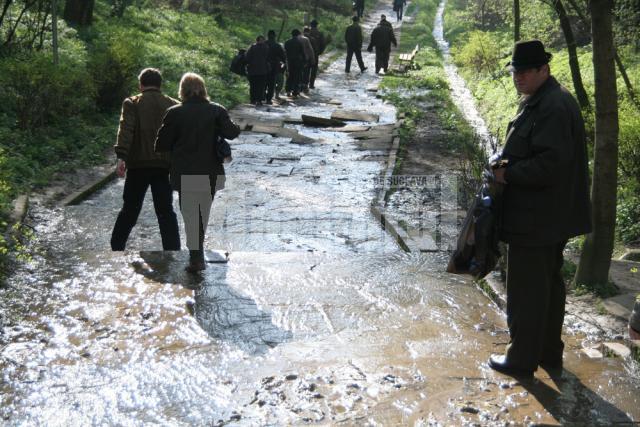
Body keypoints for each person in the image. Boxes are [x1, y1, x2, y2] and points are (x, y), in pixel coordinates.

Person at [489, 40, 591, 377]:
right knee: (546, 287)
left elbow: (551, 164)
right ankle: (548, 353)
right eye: (515, 71)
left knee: (527, 291)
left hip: (537, 218)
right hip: (546, 217)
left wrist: (508, 174)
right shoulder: (542, 100)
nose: (518, 77)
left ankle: (521, 359)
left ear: (543, 70)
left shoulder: (553, 106)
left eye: (525, 71)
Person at [155, 73, 240, 272]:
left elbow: (161, 144)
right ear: (203, 89)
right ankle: (196, 254)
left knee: (191, 214)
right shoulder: (216, 110)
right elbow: (232, 133)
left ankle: (196, 256)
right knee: (202, 213)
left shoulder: (174, 112)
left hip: (184, 171)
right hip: (210, 171)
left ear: (182, 90)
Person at [111, 68, 180, 251]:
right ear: (160, 85)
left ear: (140, 84)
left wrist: (121, 157)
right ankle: (173, 252)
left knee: (130, 210)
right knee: (165, 212)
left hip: (138, 166)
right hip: (164, 167)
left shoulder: (132, 103)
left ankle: (116, 249)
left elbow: (126, 131)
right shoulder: (173, 105)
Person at [245, 35, 270, 106]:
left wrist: (249, 64)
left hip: (252, 70)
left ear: (257, 40)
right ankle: (259, 100)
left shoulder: (252, 47)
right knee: (261, 86)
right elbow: (268, 59)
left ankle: (252, 100)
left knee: (253, 86)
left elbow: (247, 57)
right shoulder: (266, 47)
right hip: (263, 70)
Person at [265, 30, 287, 104]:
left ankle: (262, 97)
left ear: (267, 35)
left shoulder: (264, 44)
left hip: (264, 66)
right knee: (271, 83)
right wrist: (284, 64)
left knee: (264, 82)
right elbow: (283, 57)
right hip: (274, 66)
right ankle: (268, 99)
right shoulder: (277, 45)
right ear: (274, 36)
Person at [284, 29, 305, 98]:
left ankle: (288, 91)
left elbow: (285, 52)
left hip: (289, 62)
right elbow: (302, 53)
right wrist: (304, 61)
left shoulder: (287, 42)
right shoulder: (299, 42)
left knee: (289, 76)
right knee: (297, 77)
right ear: (298, 34)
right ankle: (295, 92)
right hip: (297, 62)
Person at [308, 19, 326, 89]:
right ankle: (311, 84)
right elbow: (323, 44)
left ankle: (304, 84)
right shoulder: (320, 33)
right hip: (315, 54)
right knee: (314, 69)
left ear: (310, 25)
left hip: (306, 54)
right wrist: (319, 52)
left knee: (306, 69)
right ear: (317, 25)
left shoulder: (306, 33)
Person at [300, 27, 316, 94]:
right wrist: (313, 58)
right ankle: (305, 86)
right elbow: (313, 50)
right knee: (307, 72)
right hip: (308, 58)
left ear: (303, 31)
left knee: (300, 72)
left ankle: (300, 85)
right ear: (309, 32)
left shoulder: (300, 39)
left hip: (300, 58)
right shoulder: (312, 39)